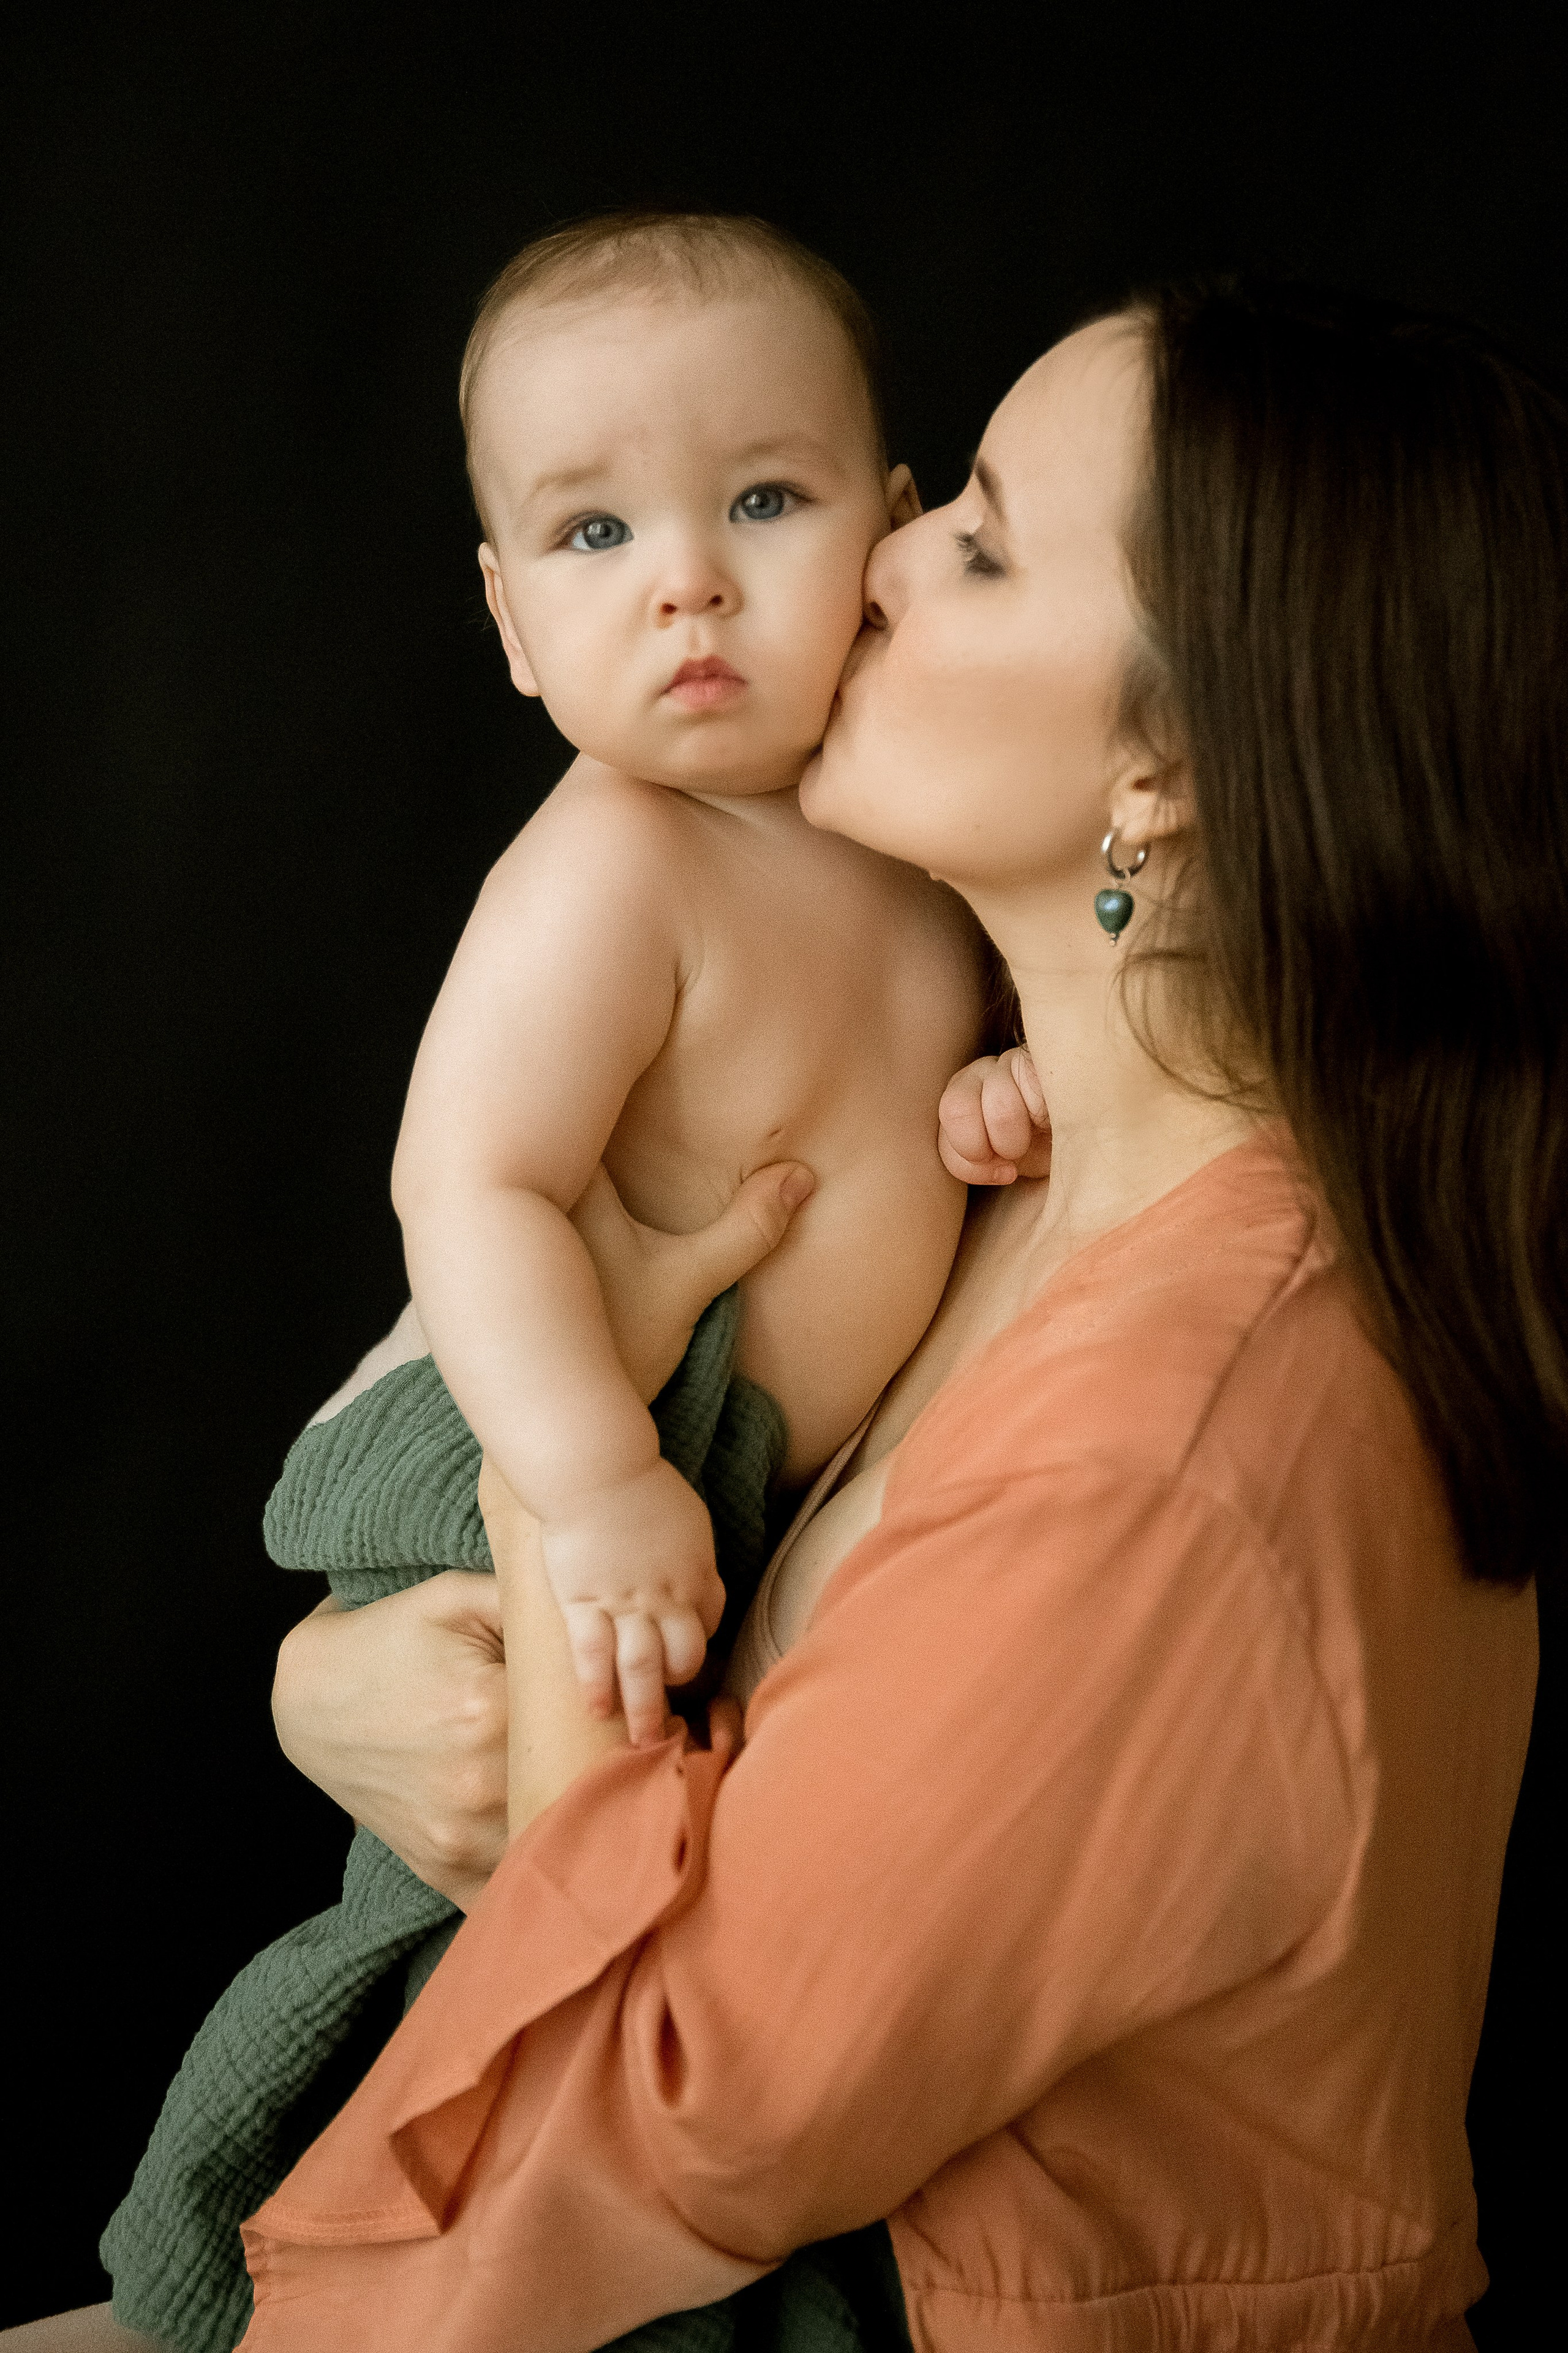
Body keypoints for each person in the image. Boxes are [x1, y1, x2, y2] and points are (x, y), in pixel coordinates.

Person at [16, 276, 1561, 2348]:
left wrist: (550, 1527)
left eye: (984, 539)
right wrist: (334, 1686)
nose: (884, 555)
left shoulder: (1176, 1445)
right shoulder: (1036, 1163)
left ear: (1167, 773)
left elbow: (660, 2106)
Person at [390, 211, 985, 1743]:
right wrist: (591, 1480)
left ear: (897, 531)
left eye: (765, 499)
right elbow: (467, 1185)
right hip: (571, 1462)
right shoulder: (611, 869)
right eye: (596, 533)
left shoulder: (919, 822)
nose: (689, 583)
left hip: (764, 1518)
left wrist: (1009, 1079)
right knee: (468, 1911)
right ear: (509, 622)